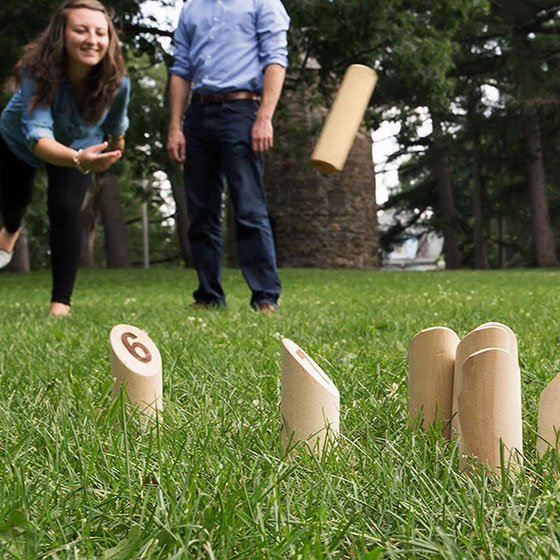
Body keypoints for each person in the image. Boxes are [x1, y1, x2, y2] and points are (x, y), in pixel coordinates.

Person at [0, 0, 130, 316]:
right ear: (62, 34)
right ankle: (10, 231)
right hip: (20, 140)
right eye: (81, 30)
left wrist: (114, 146)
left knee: (67, 209)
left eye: (101, 33)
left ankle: (61, 303)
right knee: (16, 200)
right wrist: (77, 159)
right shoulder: (36, 71)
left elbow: (116, 125)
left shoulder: (117, 82)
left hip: (79, 145)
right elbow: (38, 136)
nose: (92, 40)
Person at [167, 0, 290, 314]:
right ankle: (208, 295)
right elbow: (181, 69)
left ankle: (265, 297)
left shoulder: (263, 3)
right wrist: (174, 126)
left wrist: (264, 117)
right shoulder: (191, 9)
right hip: (197, 114)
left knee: (249, 207)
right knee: (201, 212)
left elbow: (275, 60)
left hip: (242, 111)